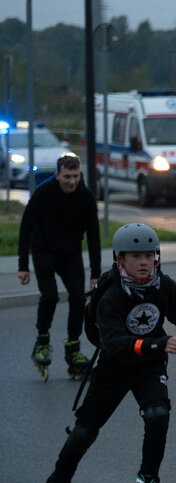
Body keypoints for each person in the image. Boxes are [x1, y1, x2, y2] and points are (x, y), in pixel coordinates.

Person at [25, 223, 176, 483]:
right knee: (83, 433)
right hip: (114, 367)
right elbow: (113, 343)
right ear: (119, 260)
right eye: (134, 256)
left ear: (157, 257)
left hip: (149, 366)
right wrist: (156, 343)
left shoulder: (163, 286)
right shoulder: (110, 296)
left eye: (148, 255)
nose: (143, 262)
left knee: (158, 415)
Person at [17, 154, 102, 379]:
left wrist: (96, 273)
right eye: (67, 177)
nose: (72, 181)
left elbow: (94, 236)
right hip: (43, 250)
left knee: (77, 297)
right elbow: (26, 227)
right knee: (50, 296)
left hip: (70, 253)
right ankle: (42, 342)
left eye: (76, 176)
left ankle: (73, 350)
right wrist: (23, 266)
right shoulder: (43, 194)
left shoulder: (85, 197)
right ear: (57, 175)